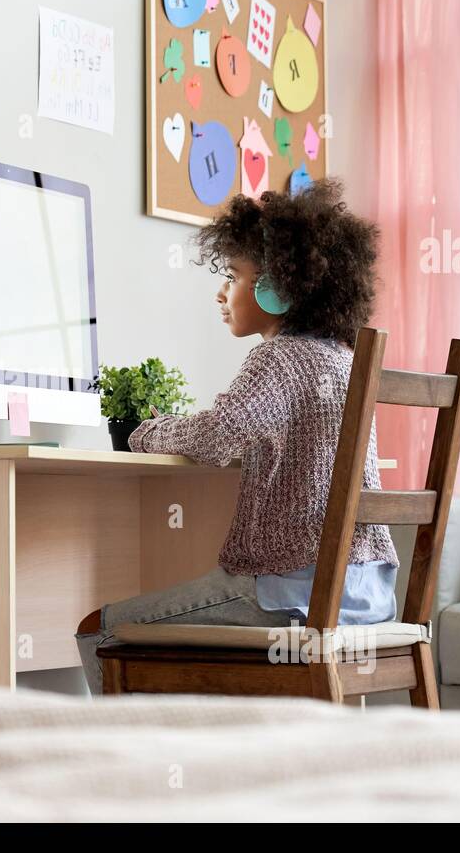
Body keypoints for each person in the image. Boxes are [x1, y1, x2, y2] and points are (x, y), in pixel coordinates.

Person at [75, 179, 398, 695]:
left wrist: (146, 432)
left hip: (293, 596)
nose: (222, 293)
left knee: (100, 628)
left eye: (233, 277)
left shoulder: (281, 356)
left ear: (275, 287)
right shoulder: (343, 360)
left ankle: (138, 766)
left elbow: (216, 434)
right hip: (367, 593)